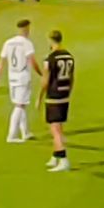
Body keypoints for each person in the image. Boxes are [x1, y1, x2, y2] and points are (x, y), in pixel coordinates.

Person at [0, 19, 43, 143]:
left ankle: (25, 132)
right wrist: (41, 74)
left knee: (21, 103)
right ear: (26, 29)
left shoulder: (8, 42)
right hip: (22, 77)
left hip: (12, 78)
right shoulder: (27, 43)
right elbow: (32, 61)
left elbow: (1, 61)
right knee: (19, 106)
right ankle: (12, 135)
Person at [38, 29, 75, 172]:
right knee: (58, 126)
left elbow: (45, 80)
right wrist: (68, 92)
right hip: (64, 93)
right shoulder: (69, 56)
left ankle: (64, 160)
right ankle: (55, 156)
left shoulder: (50, 58)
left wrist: (39, 97)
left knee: (55, 129)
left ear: (50, 40)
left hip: (53, 95)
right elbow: (72, 77)